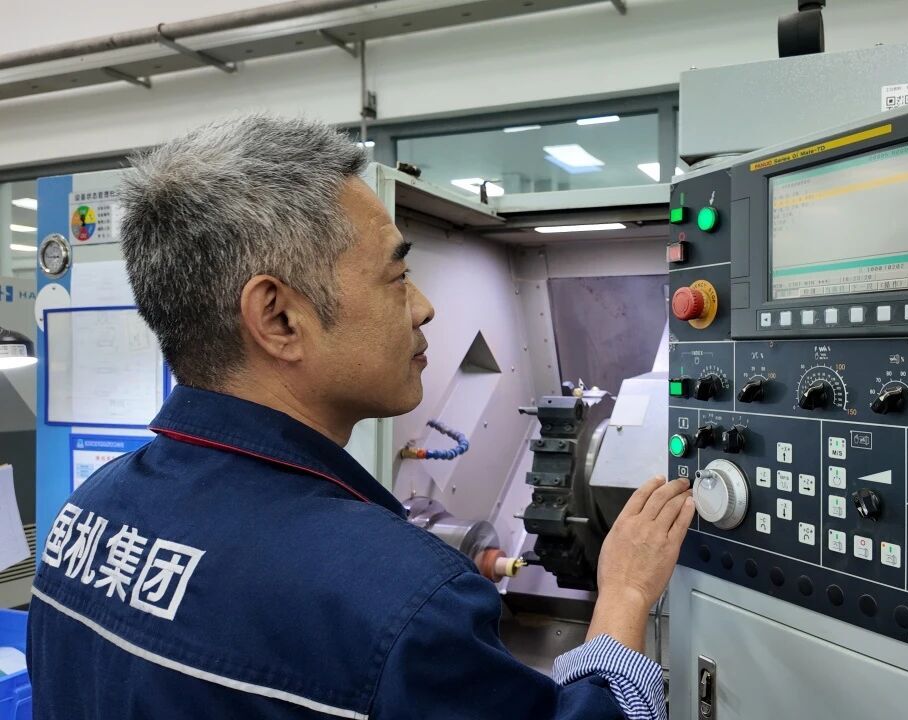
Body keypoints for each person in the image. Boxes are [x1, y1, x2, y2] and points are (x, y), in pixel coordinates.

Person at [28, 115, 694, 719]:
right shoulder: (404, 606)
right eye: (396, 278)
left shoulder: (86, 515)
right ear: (278, 318)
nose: (424, 307)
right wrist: (625, 593)